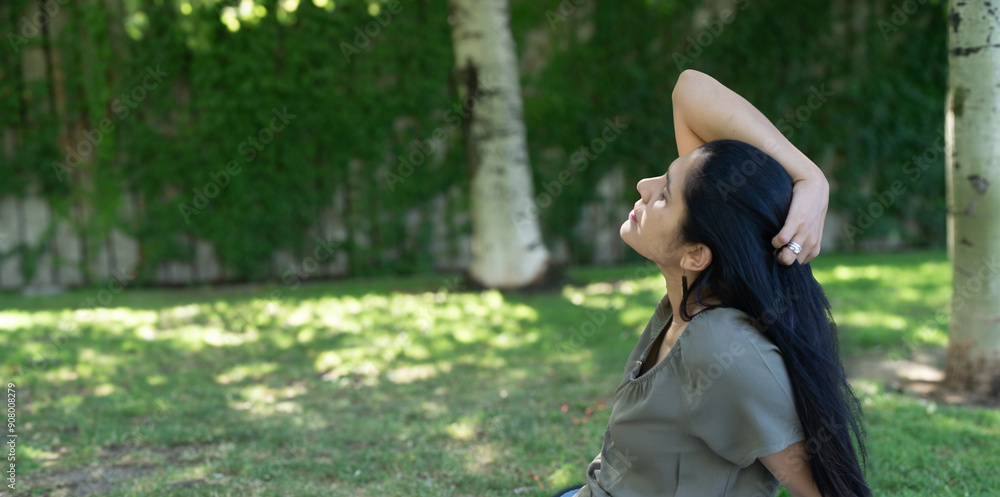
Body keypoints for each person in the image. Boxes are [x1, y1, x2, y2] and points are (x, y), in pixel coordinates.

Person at [559, 70, 871, 497]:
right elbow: (689, 89)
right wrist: (810, 178)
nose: (643, 186)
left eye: (665, 193)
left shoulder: (722, 346)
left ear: (696, 254)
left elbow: (825, 490)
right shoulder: (691, 295)